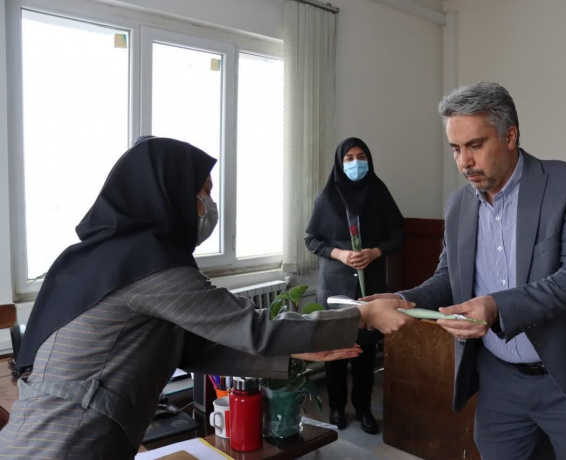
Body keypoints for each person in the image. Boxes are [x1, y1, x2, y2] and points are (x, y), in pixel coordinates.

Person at [0, 137, 413, 459]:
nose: (208, 207)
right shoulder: (146, 266)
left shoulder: (100, 257)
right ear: (165, 194)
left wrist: (292, 352)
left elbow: (192, 348)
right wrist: (361, 315)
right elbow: (254, 327)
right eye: (202, 193)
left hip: (49, 435)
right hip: (67, 441)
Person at [364, 82, 566, 460]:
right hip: (500, 381)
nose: (464, 162)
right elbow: (449, 279)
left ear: (510, 136)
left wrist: (496, 306)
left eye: (475, 145)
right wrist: (402, 299)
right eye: (455, 149)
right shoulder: (459, 204)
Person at [305, 137, 404, 434]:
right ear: (340, 162)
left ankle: (363, 409)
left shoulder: (378, 192)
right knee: (335, 349)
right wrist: (340, 254)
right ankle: (337, 407)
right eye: (349, 158)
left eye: (361, 157)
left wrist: (375, 252)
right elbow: (312, 239)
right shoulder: (327, 196)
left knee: (365, 349)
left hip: (369, 286)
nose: (356, 162)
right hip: (335, 287)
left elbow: (397, 235)